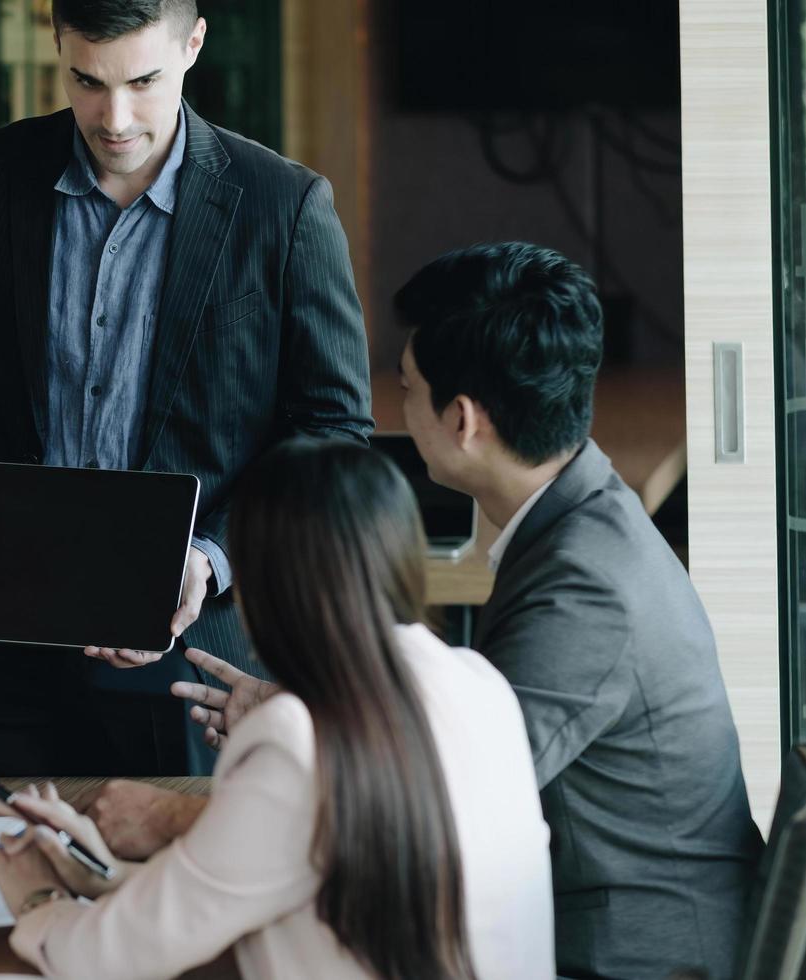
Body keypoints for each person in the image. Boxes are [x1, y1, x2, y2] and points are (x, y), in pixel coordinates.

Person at [90, 243, 766, 979]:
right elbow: (437, 757)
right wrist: (305, 716)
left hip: (627, 958)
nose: (395, 407)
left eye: (406, 387)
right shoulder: (579, 518)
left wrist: (176, 821)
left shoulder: (587, 587)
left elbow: (436, 810)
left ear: (463, 420)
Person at [0, 0, 372, 776]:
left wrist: (210, 556)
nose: (113, 117)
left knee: (152, 879)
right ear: (59, 49)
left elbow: (332, 429)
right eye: (86, 81)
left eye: (142, 80)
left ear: (193, 44)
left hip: (182, 641)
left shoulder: (283, 205)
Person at [0, 440, 553, 979]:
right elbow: (241, 898)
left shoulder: (294, 740)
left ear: (263, 588)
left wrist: (38, 899)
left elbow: (112, 957)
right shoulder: (480, 685)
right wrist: (94, 870)